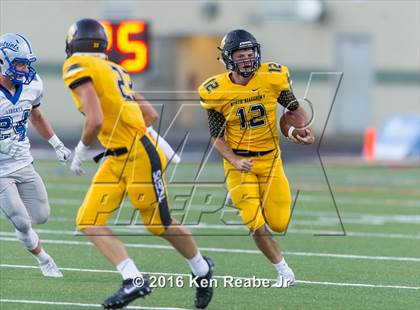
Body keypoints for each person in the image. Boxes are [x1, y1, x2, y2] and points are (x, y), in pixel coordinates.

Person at [62, 19, 214, 309]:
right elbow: (150, 115)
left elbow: (94, 118)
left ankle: (202, 269)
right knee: (89, 220)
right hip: (118, 155)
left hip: (137, 156)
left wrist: (82, 148)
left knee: (160, 225)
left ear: (73, 43)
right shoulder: (115, 68)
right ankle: (133, 279)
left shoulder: (76, 66)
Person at [198, 29, 314, 287]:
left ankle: (247, 199)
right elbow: (217, 138)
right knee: (255, 222)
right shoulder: (215, 90)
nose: (248, 60)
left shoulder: (272, 78)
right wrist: (235, 161)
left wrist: (297, 130)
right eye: (241, 55)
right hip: (239, 164)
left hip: (271, 160)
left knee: (279, 223)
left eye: (251, 54)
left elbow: (293, 112)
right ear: (228, 58)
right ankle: (284, 271)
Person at [0, 33, 71, 277]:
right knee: (21, 220)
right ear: (3, 62)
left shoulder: (32, 84)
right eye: (20, 63)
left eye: (26, 63)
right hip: (0, 171)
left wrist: (57, 143)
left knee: (41, 216)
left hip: (23, 163)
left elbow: (36, 116)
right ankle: (44, 259)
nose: (25, 68)